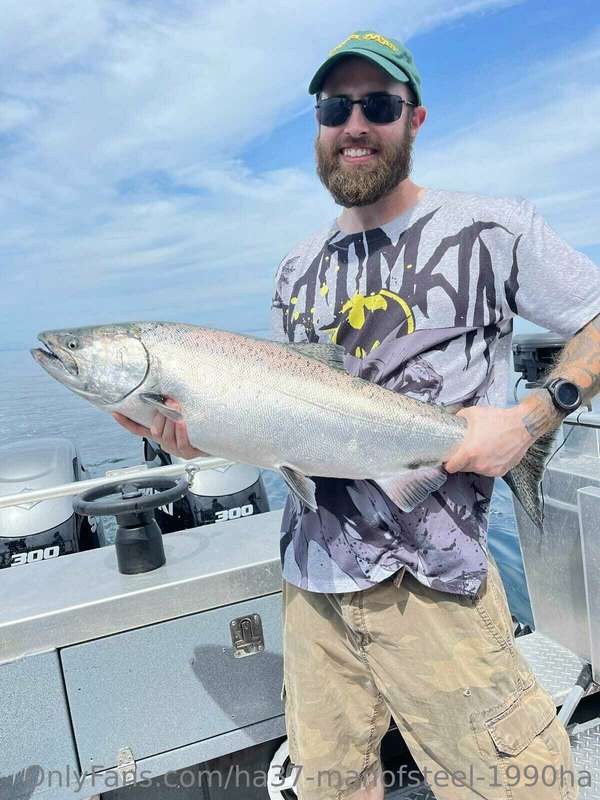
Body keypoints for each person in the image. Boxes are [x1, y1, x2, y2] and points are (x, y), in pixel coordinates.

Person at [114, 30, 600, 800]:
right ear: (318, 125)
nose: (355, 124)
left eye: (378, 104)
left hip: (435, 585)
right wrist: (191, 436)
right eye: (335, 108)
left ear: (415, 118)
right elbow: (283, 423)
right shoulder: (295, 269)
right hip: (311, 587)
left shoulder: (489, 230)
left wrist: (535, 416)